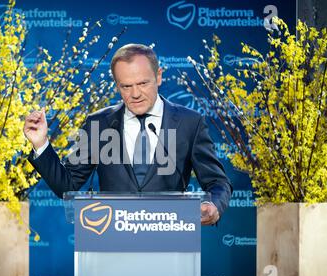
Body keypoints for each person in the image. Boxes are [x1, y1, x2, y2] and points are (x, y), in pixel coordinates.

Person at [24, 44, 232, 225]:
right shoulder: (100, 123)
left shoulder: (190, 122)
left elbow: (217, 182)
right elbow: (67, 185)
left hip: (170, 240)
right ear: (117, 85)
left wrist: (212, 205)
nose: (135, 94)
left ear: (158, 76)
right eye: (126, 86)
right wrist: (41, 143)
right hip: (112, 241)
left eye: (142, 83)